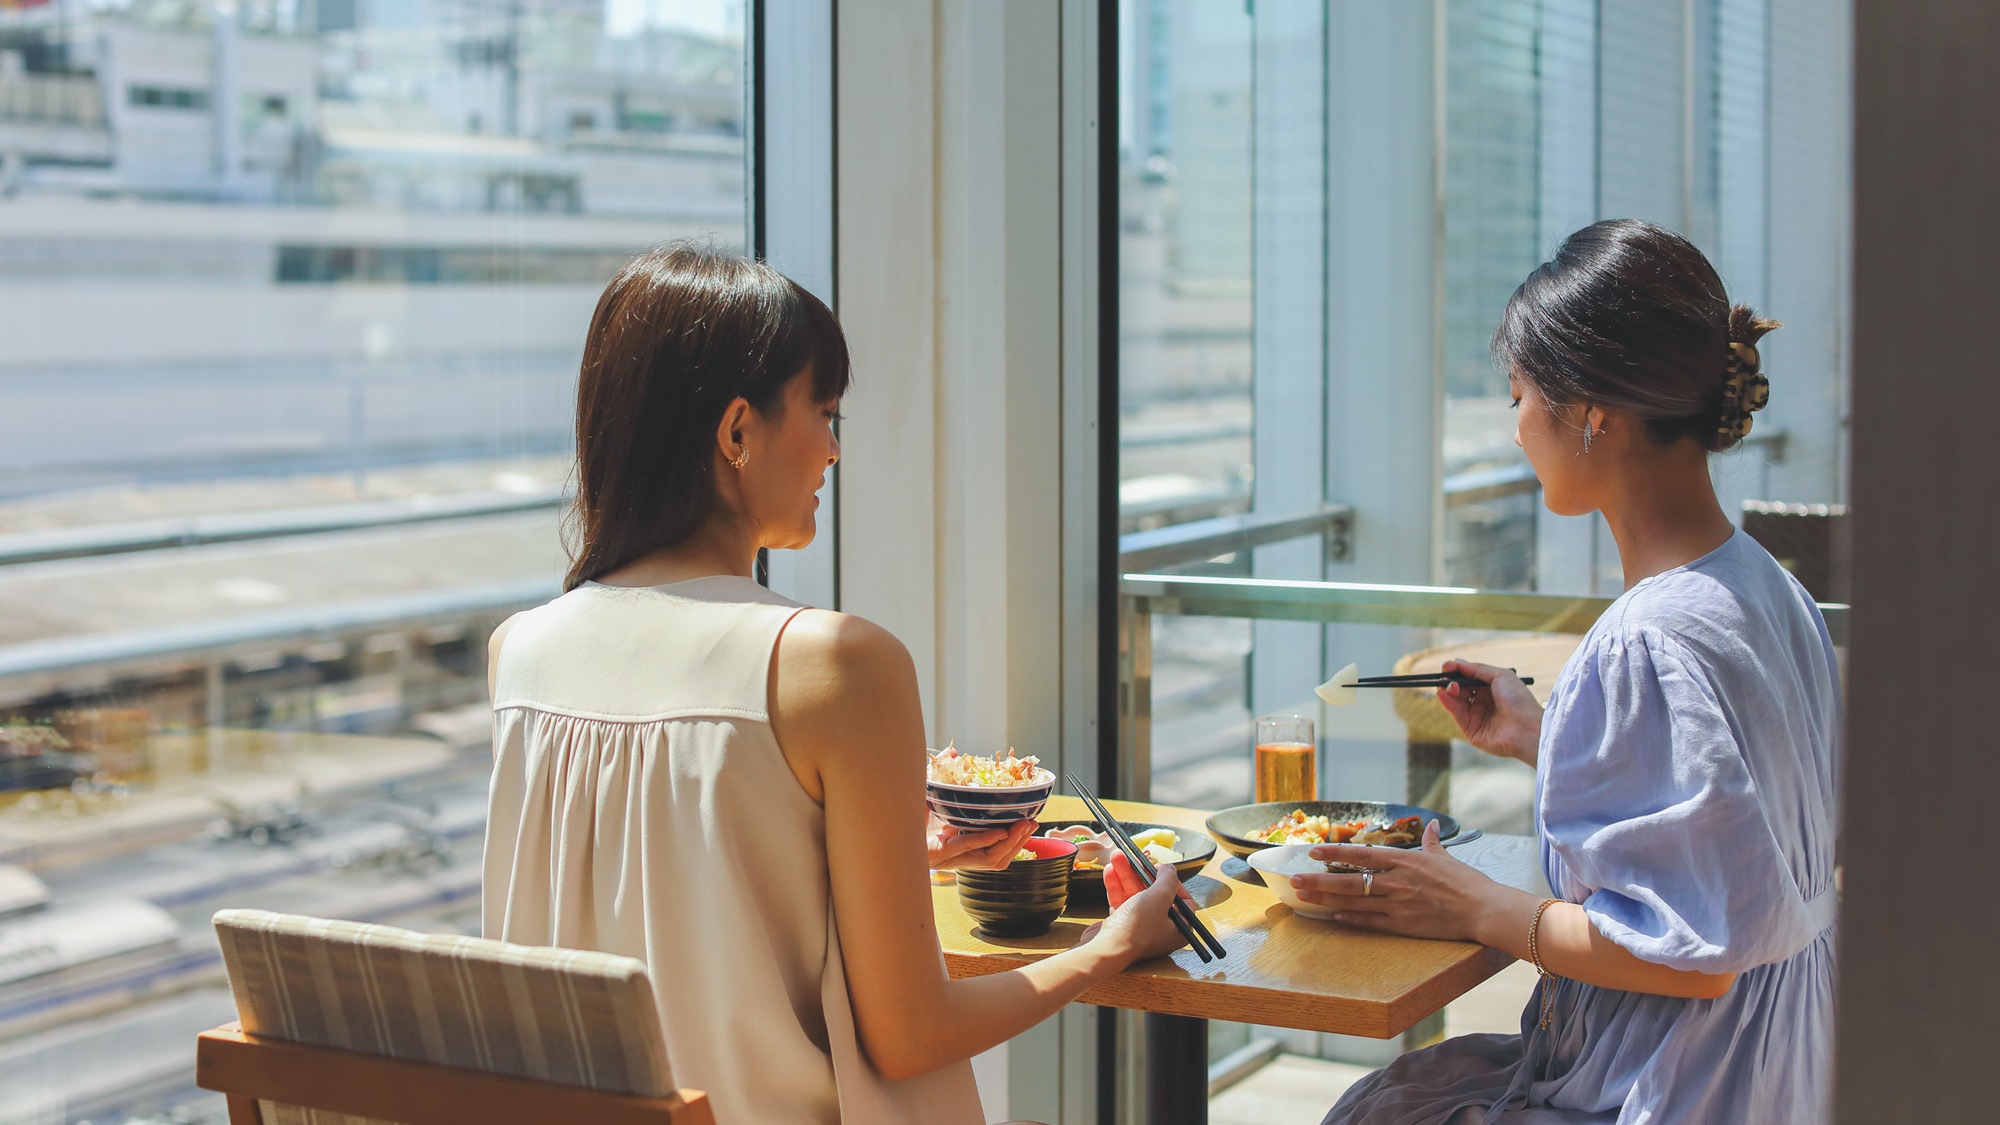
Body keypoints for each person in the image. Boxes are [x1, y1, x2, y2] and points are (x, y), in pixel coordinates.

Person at [480, 244, 1190, 1125]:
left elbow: (657, 905)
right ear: (737, 432)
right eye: (823, 410)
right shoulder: (834, 663)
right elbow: (911, 1033)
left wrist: (877, 857)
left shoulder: (519, 654)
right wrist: (1115, 944)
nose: (833, 449)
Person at [1294, 220, 1839, 1124]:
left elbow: (1687, 958)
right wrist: (1548, 736)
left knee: (1380, 1109)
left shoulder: (1646, 638)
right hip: (1786, 1068)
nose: (1515, 431)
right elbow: (1737, 838)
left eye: (1519, 395)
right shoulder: (1772, 589)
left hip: (1684, 1083)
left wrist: (1474, 904)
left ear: (1591, 408)